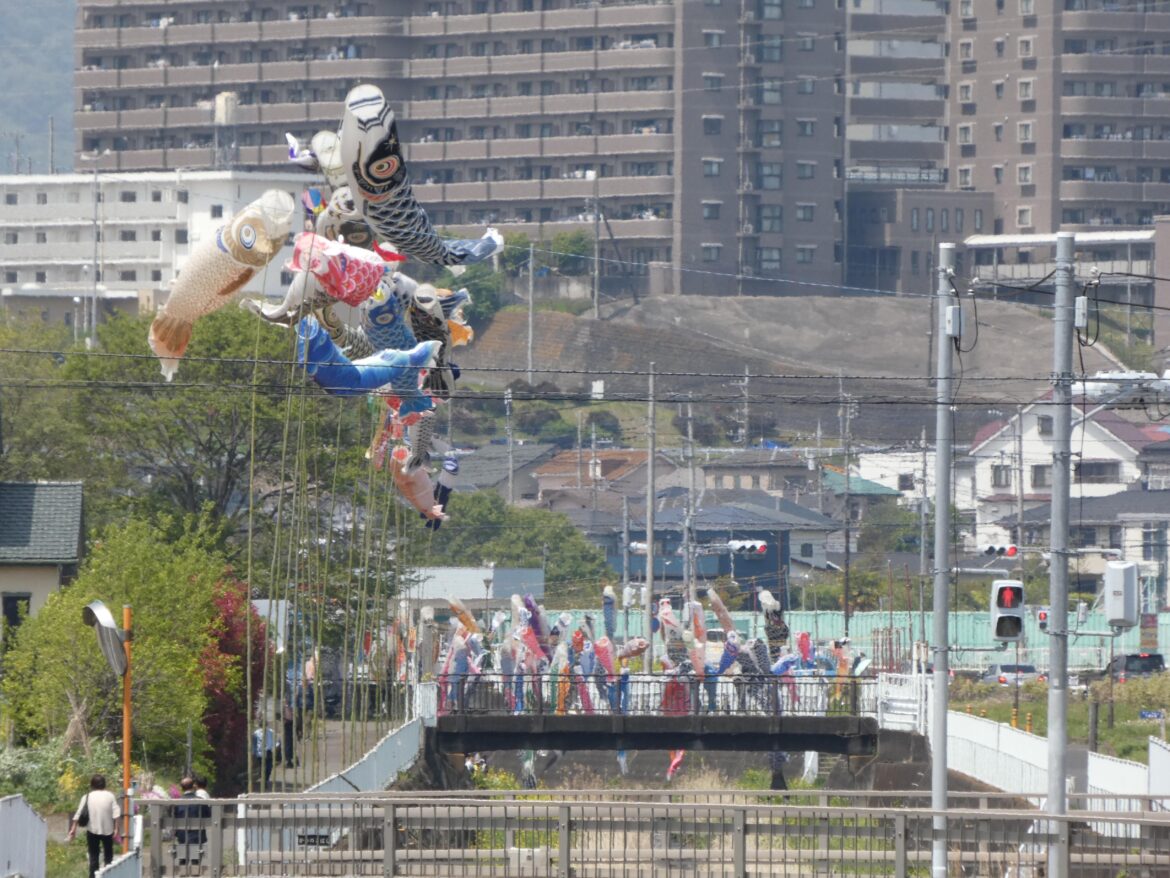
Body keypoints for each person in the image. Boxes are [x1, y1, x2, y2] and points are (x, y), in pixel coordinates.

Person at [67, 774, 122, 878]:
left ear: (92, 785)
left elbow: (78, 813)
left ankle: (93, 876)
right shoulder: (110, 796)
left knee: (93, 858)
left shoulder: (87, 796)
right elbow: (116, 814)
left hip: (92, 830)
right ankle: (108, 876)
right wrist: (116, 829)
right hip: (108, 830)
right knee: (108, 857)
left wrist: (73, 829)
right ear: (104, 784)